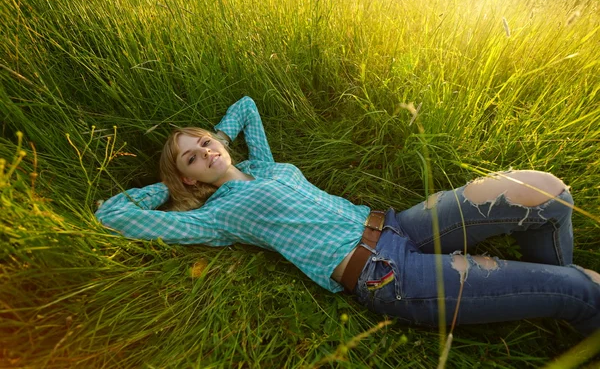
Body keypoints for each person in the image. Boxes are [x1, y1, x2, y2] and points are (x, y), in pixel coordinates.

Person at [95, 96, 600, 336]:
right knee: (586, 288)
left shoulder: (264, 167)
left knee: (549, 193)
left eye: (203, 141)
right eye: (191, 158)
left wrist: (219, 137)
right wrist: (166, 185)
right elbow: (116, 216)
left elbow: (249, 106)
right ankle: (571, 300)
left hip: (399, 224)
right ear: (189, 180)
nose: (204, 152)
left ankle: (559, 303)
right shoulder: (215, 218)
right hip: (388, 275)